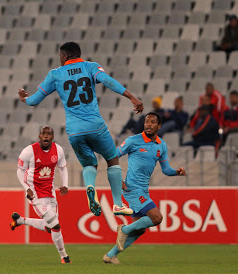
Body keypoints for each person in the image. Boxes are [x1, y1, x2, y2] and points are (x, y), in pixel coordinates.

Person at [18, 42, 144, 217]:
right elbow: (108, 81)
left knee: (89, 163)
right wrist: (132, 97)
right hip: (95, 126)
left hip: (74, 131)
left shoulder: (55, 74)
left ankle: (90, 187)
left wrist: (24, 99)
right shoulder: (90, 67)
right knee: (112, 160)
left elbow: (34, 101)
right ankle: (117, 204)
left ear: (64, 56)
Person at [103, 113, 186, 264]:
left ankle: (110, 255)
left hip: (143, 190)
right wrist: (117, 178)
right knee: (157, 217)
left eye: (152, 122)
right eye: (146, 122)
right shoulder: (133, 141)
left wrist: (176, 172)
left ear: (159, 126)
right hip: (132, 189)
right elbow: (112, 156)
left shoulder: (161, 145)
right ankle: (124, 230)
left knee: (140, 230)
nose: (148, 124)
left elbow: (166, 169)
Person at [10, 126, 71, 264]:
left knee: (50, 228)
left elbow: (63, 168)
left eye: (49, 134)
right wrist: (27, 189)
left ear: (52, 136)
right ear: (39, 136)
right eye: (43, 133)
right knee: (55, 225)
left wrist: (65, 185)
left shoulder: (58, 150)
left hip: (50, 192)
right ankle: (64, 257)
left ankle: (20, 220)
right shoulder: (28, 151)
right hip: (35, 193)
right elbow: (20, 171)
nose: (46, 136)